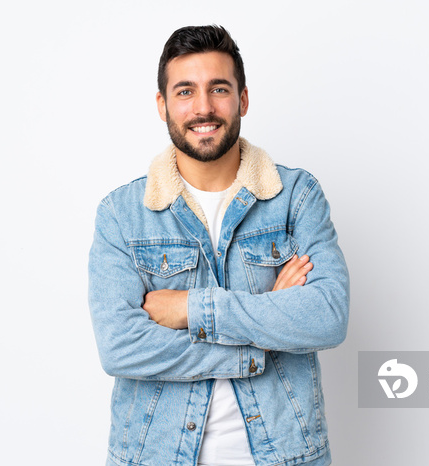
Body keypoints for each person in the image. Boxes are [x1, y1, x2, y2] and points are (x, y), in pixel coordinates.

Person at [89, 25, 349, 466]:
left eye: (219, 89)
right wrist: (263, 333)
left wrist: (192, 309)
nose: (203, 108)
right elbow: (119, 346)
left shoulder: (296, 197)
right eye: (185, 91)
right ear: (163, 105)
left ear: (243, 99)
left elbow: (328, 315)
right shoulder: (122, 214)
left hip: (287, 455)